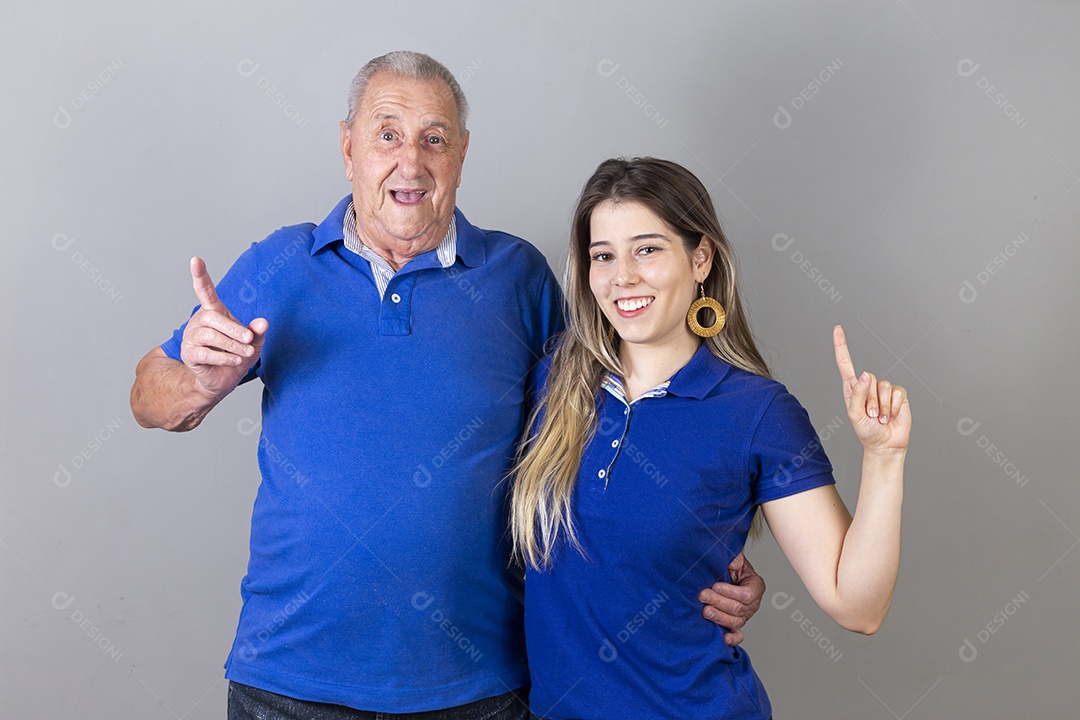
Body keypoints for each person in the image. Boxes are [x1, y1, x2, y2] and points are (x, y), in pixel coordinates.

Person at [129, 52, 764, 719]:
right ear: (348, 149)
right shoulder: (281, 265)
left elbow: (610, 440)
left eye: (434, 139)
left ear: (461, 153)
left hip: (478, 689)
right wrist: (198, 383)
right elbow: (149, 396)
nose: (411, 161)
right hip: (288, 684)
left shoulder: (519, 277)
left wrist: (702, 556)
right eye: (387, 134)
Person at [511, 157, 910, 719]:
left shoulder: (755, 412)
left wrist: (884, 458)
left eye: (647, 249)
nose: (622, 275)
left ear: (700, 258)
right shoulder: (554, 383)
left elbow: (857, 605)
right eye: (604, 255)